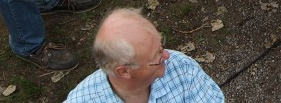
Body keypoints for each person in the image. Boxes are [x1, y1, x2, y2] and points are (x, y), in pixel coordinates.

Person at [64, 8, 224, 102]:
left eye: (161, 47)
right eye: (157, 55)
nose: (168, 56)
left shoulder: (183, 70)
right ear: (124, 71)